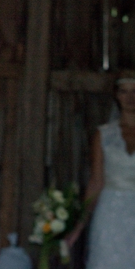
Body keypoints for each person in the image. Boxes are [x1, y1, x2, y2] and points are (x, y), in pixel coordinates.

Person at [65, 70, 135, 268]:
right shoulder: (103, 135)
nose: (130, 97)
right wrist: (79, 226)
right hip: (110, 211)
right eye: (124, 91)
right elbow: (96, 181)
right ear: (117, 95)